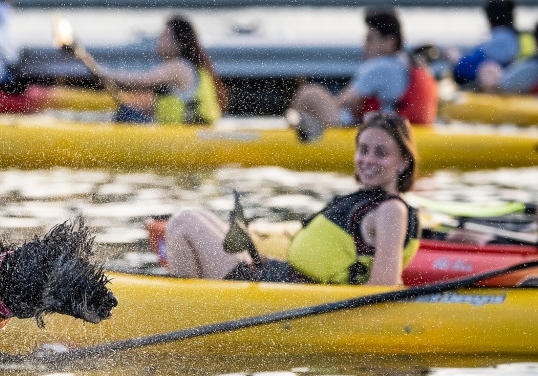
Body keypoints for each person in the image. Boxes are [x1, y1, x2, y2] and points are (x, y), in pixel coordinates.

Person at [149, 113, 420, 286]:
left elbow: (384, 284)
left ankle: (187, 310)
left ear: (403, 162)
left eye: (381, 153)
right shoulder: (371, 201)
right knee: (203, 218)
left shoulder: (391, 209)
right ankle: (194, 303)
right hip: (276, 276)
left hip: (285, 295)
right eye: (363, 150)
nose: (368, 160)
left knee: (185, 222)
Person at [287, 9, 436, 141]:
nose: (364, 45)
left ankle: (289, 138)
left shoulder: (379, 65)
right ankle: (303, 131)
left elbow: (343, 101)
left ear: (389, 42)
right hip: (395, 129)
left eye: (370, 39)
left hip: (370, 131)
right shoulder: (403, 63)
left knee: (310, 93)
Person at [89, 15, 226, 125]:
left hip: (183, 138)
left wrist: (102, 72)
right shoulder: (193, 66)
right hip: (189, 132)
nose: (159, 41)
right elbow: (167, 106)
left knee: (126, 113)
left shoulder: (178, 66)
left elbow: (139, 81)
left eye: (164, 36)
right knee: (131, 109)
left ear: (179, 43)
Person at [452, 0, 535, 91]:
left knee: (487, 70)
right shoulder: (528, 37)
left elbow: (462, 71)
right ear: (513, 15)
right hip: (528, 87)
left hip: (510, 92)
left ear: (489, 18)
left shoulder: (499, 39)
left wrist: (455, 59)